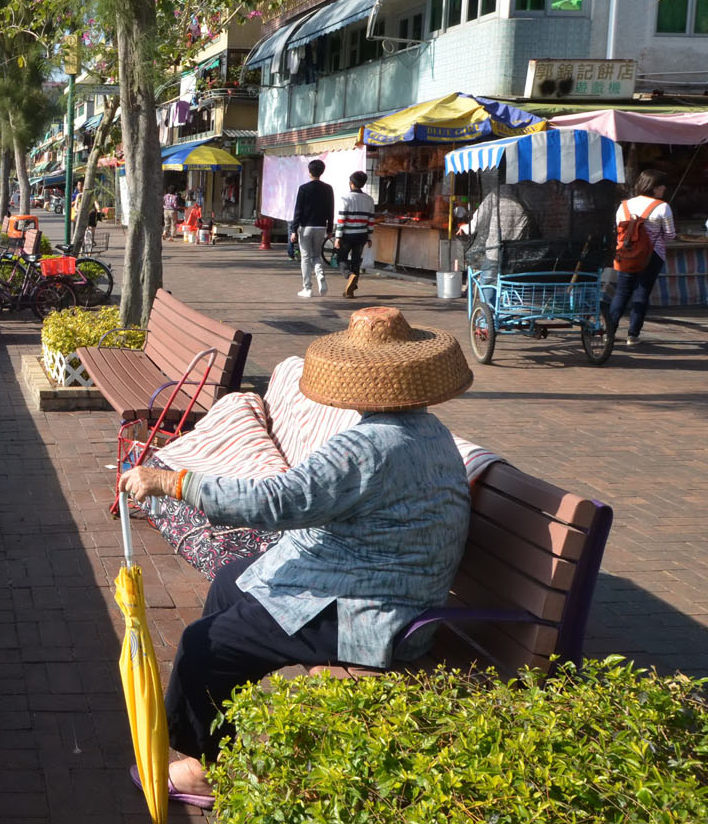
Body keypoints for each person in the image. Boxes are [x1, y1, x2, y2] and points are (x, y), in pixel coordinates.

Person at [117, 306, 473, 804]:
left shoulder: (369, 446)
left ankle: (205, 769)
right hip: (380, 578)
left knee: (206, 646)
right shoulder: (423, 428)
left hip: (374, 611)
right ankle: (222, 733)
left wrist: (173, 481)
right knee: (229, 583)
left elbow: (277, 501)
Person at [608, 168, 675, 347]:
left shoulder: (625, 206)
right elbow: (670, 235)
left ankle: (609, 332)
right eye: (662, 186)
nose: (664, 189)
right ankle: (633, 335)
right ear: (653, 187)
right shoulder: (662, 207)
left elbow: (619, 229)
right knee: (642, 292)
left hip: (626, 253)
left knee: (621, 292)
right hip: (653, 255)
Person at [290, 159, 335, 298]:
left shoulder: (304, 188)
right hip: (321, 227)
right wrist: (329, 229)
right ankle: (320, 277)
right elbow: (330, 210)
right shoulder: (328, 188)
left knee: (305, 257)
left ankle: (307, 288)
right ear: (322, 171)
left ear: (309, 172)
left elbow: (298, 210)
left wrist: (293, 229)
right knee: (316, 255)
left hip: (306, 227)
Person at [335, 171, 376, 298]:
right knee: (356, 261)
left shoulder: (345, 198)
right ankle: (351, 290)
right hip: (362, 235)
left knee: (341, 258)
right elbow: (371, 221)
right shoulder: (369, 200)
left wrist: (338, 237)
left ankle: (349, 275)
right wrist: (369, 237)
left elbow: (341, 220)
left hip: (347, 235)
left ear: (351, 184)